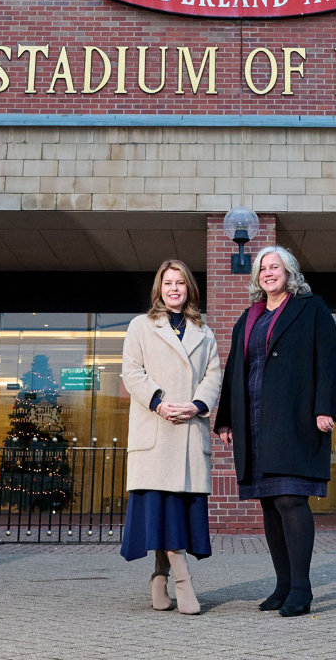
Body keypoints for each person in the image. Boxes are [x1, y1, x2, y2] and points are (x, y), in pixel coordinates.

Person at [214, 246, 336, 616]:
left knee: (290, 498)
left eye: (276, 267)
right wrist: (226, 420)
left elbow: (328, 358)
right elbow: (235, 369)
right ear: (257, 277)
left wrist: (324, 408)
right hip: (253, 419)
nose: (269, 273)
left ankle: (302, 589)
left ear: (289, 272)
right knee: (269, 504)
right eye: (263, 268)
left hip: (294, 415)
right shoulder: (248, 317)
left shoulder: (311, 307)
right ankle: (283, 586)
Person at [119, 259, 222, 614]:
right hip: (156, 429)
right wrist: (160, 403)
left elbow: (214, 375)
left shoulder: (203, 331)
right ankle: (183, 580)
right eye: (168, 283)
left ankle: (160, 576)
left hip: (189, 431)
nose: (174, 288)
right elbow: (131, 371)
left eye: (180, 282)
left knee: (174, 510)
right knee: (161, 509)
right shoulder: (140, 326)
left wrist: (196, 404)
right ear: (159, 289)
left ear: (189, 288)